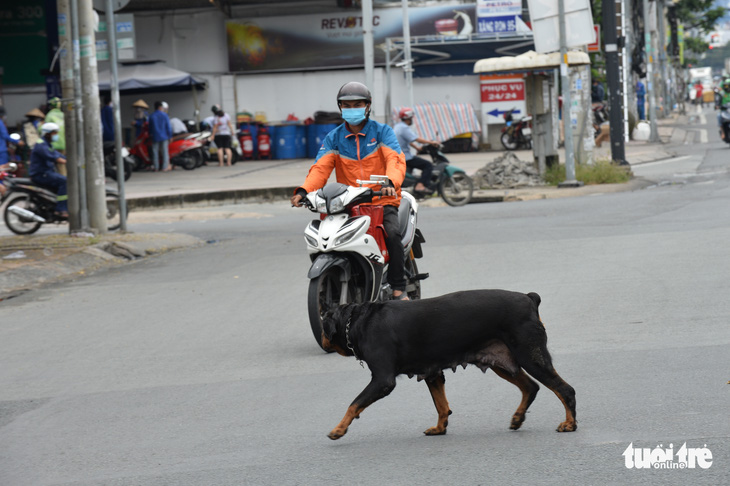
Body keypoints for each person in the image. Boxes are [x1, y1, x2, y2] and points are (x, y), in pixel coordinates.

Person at [289, 81, 409, 300]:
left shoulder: (383, 132)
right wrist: (305, 191)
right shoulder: (333, 138)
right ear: (340, 107)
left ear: (367, 106)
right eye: (346, 104)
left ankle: (399, 288)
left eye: (357, 104)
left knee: (392, 234)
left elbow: (395, 161)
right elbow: (320, 168)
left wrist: (390, 184)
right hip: (347, 203)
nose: (351, 108)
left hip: (381, 200)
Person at [393, 107, 439, 194]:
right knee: (428, 165)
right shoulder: (404, 128)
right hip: (405, 157)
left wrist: (416, 148)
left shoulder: (398, 126)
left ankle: (415, 184)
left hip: (398, 156)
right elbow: (416, 139)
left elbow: (407, 139)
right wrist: (431, 142)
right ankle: (420, 186)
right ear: (409, 118)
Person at [29, 122, 68, 218]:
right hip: (41, 174)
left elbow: (58, 155)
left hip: (47, 173)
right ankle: (61, 210)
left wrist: (69, 159)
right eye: (54, 133)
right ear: (47, 133)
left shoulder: (48, 144)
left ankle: (55, 204)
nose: (56, 135)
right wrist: (66, 162)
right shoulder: (41, 145)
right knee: (65, 182)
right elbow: (53, 157)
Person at [148, 101, 172, 172]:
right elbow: (168, 126)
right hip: (164, 136)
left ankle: (156, 167)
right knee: (164, 152)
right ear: (160, 107)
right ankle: (164, 167)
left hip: (155, 136)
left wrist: (150, 135)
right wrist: (170, 136)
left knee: (155, 152)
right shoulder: (165, 115)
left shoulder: (151, 116)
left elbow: (150, 128)